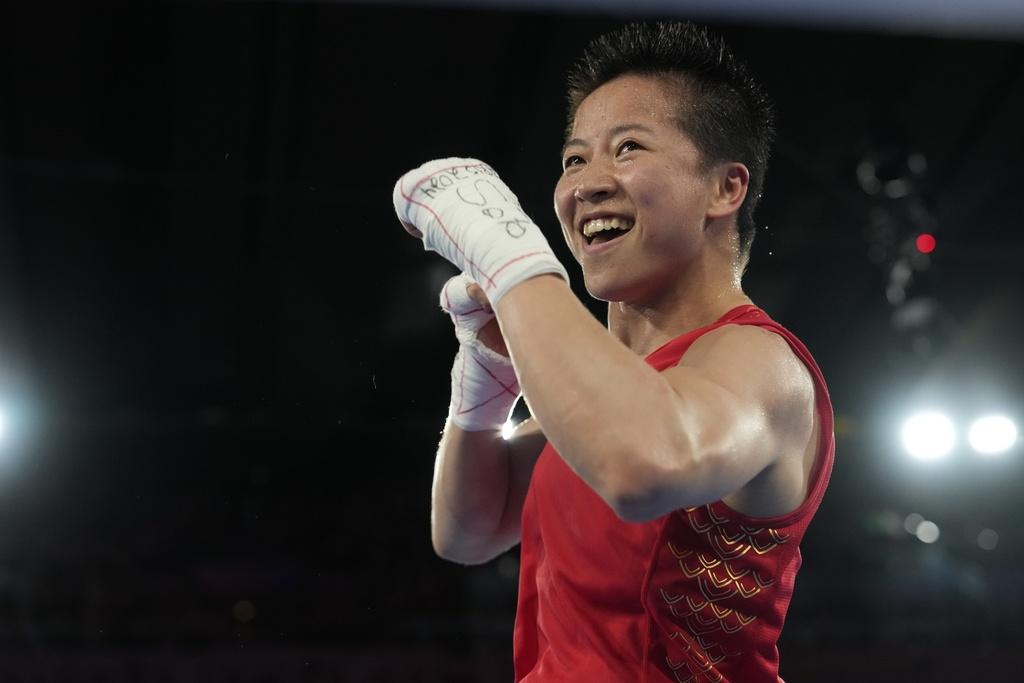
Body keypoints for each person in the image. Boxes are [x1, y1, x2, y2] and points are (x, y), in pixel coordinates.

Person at [392, 21, 834, 683]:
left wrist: (509, 256)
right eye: (574, 159)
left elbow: (641, 466)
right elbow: (468, 532)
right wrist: (484, 385)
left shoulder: (762, 364)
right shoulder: (613, 400)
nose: (586, 184)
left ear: (725, 189)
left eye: (628, 148)